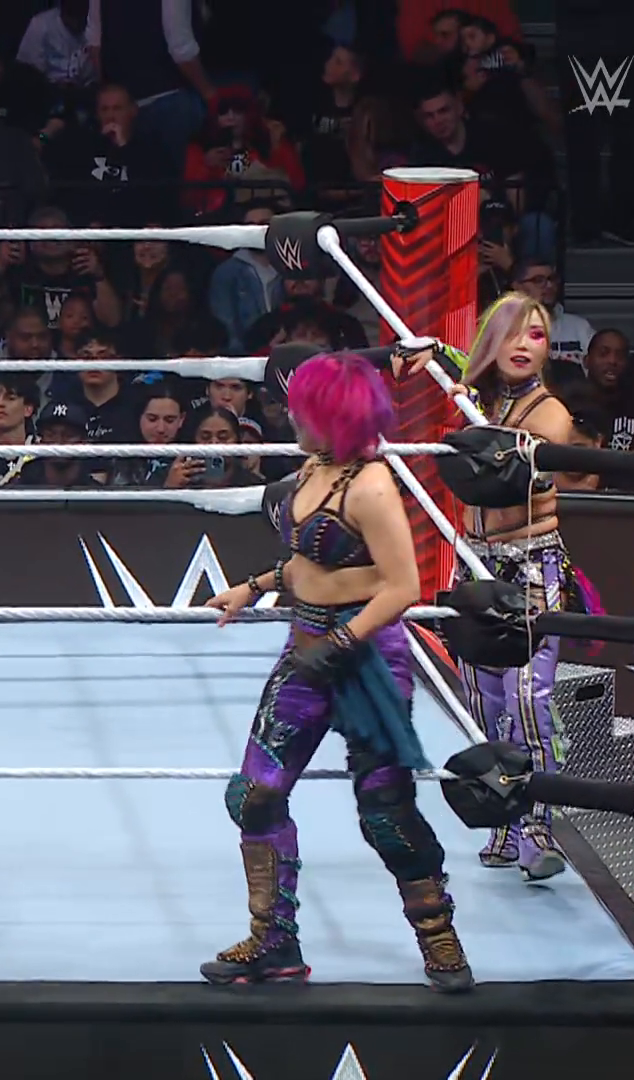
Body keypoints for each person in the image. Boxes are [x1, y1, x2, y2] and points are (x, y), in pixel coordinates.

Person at [204, 354, 470, 994]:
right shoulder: (313, 469)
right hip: (306, 641)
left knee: (384, 809)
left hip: (368, 655)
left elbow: (403, 585)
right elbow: (308, 563)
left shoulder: (372, 484)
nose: (291, 417)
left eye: (304, 409)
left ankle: (439, 938)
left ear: (334, 416)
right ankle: (275, 943)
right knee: (254, 795)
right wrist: (253, 586)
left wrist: (344, 640)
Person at [447, 294, 589, 881]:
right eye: (513, 333)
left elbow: (508, 467)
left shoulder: (549, 410)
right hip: (475, 565)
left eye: (536, 334)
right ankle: (503, 821)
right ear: (492, 342)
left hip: (532, 567)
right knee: (484, 704)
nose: (525, 344)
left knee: (529, 699)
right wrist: (458, 384)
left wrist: (468, 410)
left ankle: (537, 827)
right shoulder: (477, 402)